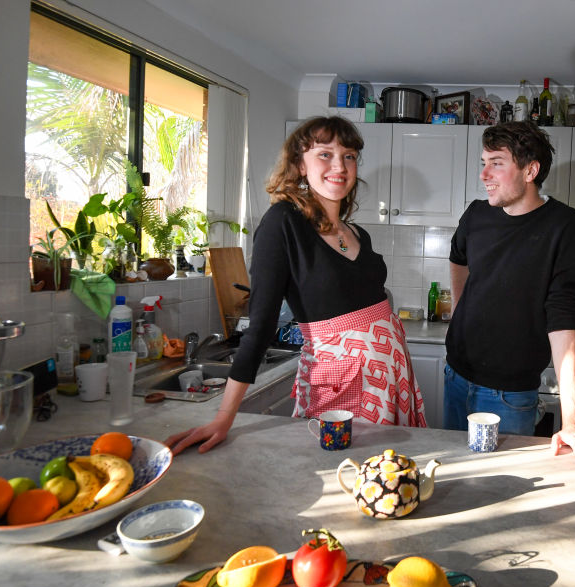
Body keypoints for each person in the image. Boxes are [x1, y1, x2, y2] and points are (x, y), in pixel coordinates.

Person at [166, 116, 427, 455]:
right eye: (324, 154)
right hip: (342, 380)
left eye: (349, 155)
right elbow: (260, 326)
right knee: (342, 471)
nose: (340, 165)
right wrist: (223, 418)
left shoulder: (357, 233)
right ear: (300, 165)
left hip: (390, 374)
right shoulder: (282, 224)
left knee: (386, 476)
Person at [442, 121, 575, 469]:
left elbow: (563, 318)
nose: (484, 174)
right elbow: (458, 259)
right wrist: (460, 310)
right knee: (452, 471)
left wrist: (573, 423)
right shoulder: (476, 215)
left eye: (497, 163)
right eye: (483, 162)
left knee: (503, 483)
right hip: (455, 375)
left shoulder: (566, 228)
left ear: (530, 170)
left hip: (509, 393)